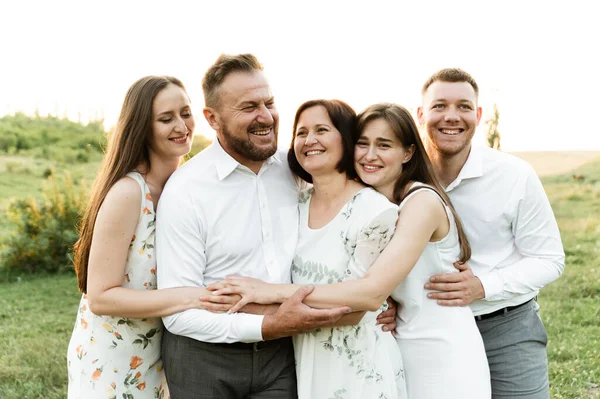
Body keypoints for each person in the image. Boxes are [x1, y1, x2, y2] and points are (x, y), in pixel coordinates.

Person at [155, 54, 395, 399]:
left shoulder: (297, 168)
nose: (266, 117)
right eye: (249, 107)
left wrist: (389, 295)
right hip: (204, 358)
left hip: (284, 358)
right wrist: (270, 325)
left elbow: (351, 218)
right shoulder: (186, 190)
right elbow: (178, 313)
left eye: (269, 103)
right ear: (212, 118)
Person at [211, 102, 490, 398]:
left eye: (383, 145)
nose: (370, 156)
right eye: (363, 144)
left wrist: (270, 291)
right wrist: (388, 306)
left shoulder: (420, 203)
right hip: (399, 339)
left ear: (408, 153)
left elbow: (369, 293)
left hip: (442, 352)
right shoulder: (362, 202)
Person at [67, 76, 236, 398]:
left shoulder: (187, 186)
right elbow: (100, 297)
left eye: (185, 113)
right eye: (166, 118)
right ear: (143, 127)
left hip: (163, 353)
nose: (182, 125)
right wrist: (192, 296)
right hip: (113, 359)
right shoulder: (129, 193)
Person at [417, 68, 565, 398]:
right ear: (421, 114)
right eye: (439, 105)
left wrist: (483, 285)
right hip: (427, 328)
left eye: (464, 107)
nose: (451, 116)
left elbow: (549, 259)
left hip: (506, 328)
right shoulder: (402, 179)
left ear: (479, 115)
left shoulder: (514, 175)